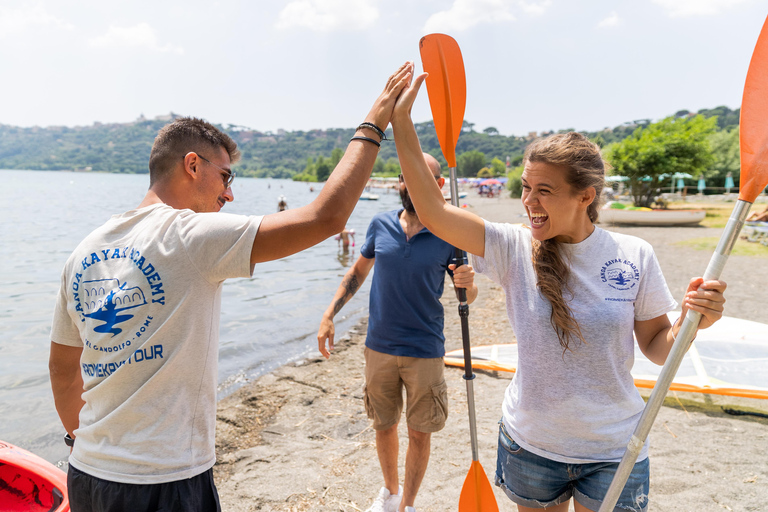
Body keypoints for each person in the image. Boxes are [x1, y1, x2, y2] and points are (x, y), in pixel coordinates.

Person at [47, 62, 415, 512]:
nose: (229, 195)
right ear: (192, 165)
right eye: (226, 177)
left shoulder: (84, 250)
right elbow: (325, 218)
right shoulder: (189, 236)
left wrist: (86, 445)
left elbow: (64, 371)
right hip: (162, 481)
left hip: (87, 475)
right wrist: (373, 123)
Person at [389, 72, 727, 512]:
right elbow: (433, 211)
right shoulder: (512, 247)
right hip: (532, 444)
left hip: (614, 446)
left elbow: (657, 348)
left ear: (585, 196)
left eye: (544, 191)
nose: (529, 201)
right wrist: (402, 123)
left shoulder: (633, 254)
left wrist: (690, 323)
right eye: (527, 188)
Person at [317, 153, 478, 512]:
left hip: (425, 349)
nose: (410, 183)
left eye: (421, 176)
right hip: (380, 347)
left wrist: (468, 283)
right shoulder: (380, 224)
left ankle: (407, 504)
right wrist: (329, 315)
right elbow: (356, 274)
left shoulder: (448, 231)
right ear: (399, 183)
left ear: (438, 185)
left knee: (420, 433)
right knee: (383, 424)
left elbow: (465, 292)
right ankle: (390, 494)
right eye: (406, 176)